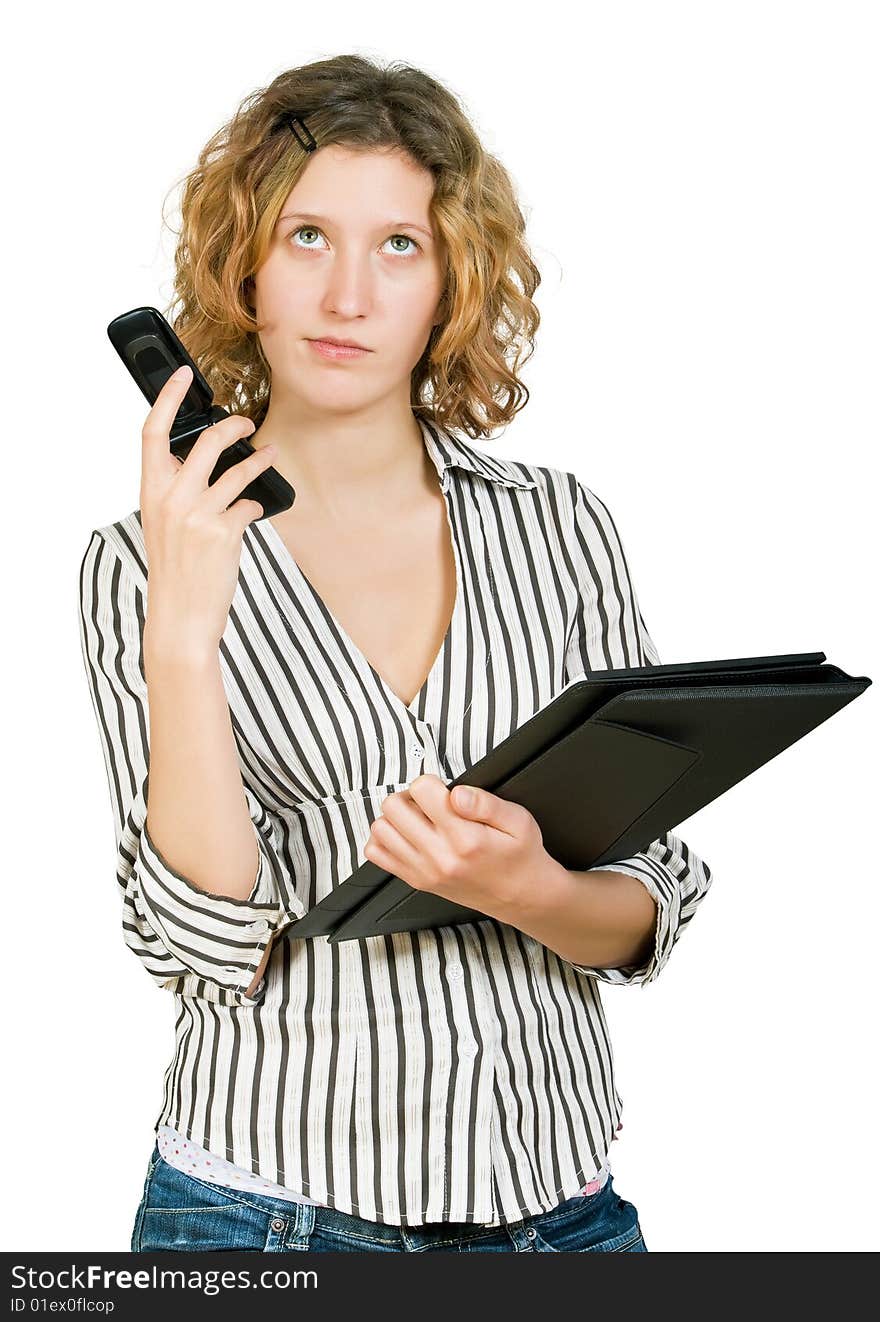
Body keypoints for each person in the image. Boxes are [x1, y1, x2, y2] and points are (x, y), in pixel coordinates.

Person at [78, 54, 713, 1253]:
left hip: (560, 1216)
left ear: (450, 281)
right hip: (261, 1216)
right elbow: (201, 944)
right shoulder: (137, 559)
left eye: (399, 247)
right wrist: (184, 628)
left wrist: (532, 892)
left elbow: (650, 897)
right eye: (308, 235)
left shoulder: (558, 523)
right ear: (245, 261)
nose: (348, 296)